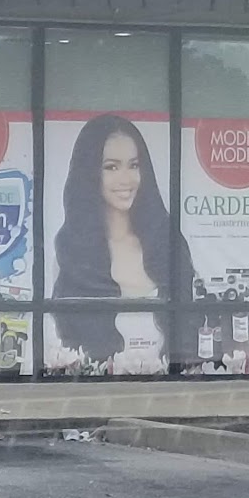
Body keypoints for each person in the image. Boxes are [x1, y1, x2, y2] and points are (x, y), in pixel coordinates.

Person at [50, 114, 187, 373]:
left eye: (134, 165)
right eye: (111, 167)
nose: (126, 179)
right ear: (90, 173)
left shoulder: (167, 242)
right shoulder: (71, 252)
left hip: (173, 389)